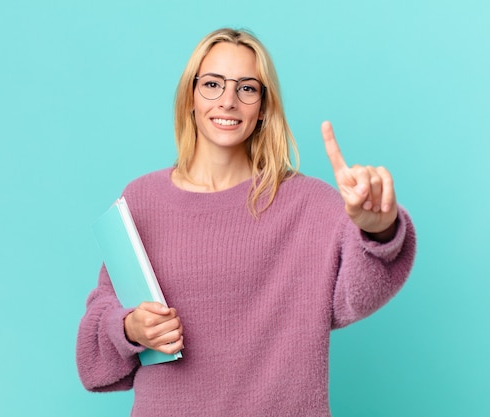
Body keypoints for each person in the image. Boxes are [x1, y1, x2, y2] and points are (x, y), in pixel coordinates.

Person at [76, 28, 416, 417]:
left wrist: (377, 229)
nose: (228, 101)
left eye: (247, 89)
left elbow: (356, 294)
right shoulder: (141, 199)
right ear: (190, 96)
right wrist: (130, 328)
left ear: (264, 106)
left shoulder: (310, 203)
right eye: (212, 84)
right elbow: (95, 350)